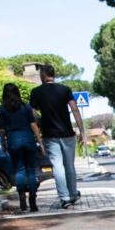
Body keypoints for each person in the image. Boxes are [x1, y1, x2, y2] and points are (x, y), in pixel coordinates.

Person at [28, 63, 85, 209]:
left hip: (49, 135)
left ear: (43, 75)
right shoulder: (65, 90)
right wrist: (82, 131)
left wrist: (38, 134)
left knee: (57, 166)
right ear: (53, 75)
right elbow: (75, 109)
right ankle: (73, 194)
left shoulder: (36, 92)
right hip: (67, 133)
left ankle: (64, 198)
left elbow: (32, 115)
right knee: (69, 165)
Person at [0, 83, 42, 213]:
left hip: (13, 139)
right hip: (27, 138)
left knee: (19, 170)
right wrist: (39, 141)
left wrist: (3, 144)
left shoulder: (2, 109)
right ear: (17, 93)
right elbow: (33, 125)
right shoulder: (26, 107)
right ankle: (32, 200)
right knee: (31, 171)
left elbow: (1, 129)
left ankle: (22, 197)